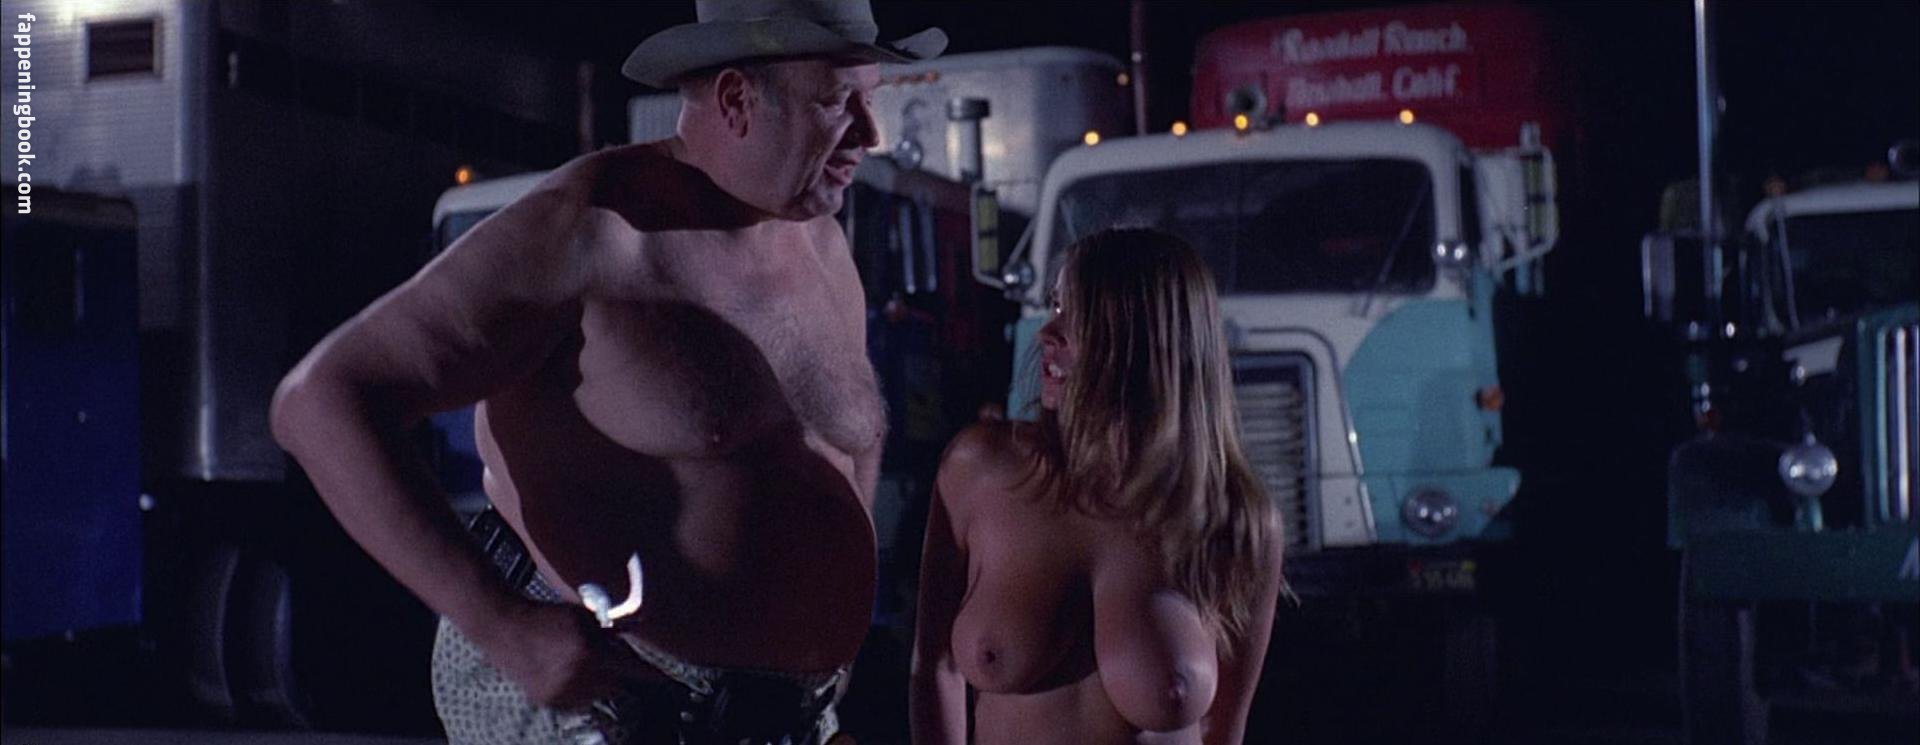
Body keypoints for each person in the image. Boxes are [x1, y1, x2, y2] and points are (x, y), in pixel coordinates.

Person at [269, 2, 945, 743]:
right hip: (612, 708)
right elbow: (320, 401)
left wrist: (822, 673)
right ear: (736, 100)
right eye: (835, 102)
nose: (870, 134)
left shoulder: (822, 241)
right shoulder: (588, 230)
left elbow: (843, 451)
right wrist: (502, 625)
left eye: (871, 100)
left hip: (787, 716)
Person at [910, 227, 1286, 745]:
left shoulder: (1234, 518)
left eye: (1079, 314)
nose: (1048, 332)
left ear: (1151, 340)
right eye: (1055, 306)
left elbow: (1224, 730)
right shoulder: (979, 469)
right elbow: (934, 669)